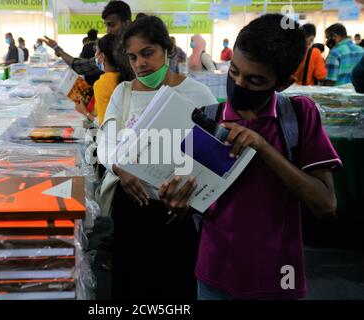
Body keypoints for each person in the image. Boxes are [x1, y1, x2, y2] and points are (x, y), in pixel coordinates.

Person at [192, 14, 342, 300]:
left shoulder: (298, 116)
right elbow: (195, 198)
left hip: (279, 279)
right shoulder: (210, 118)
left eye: (255, 80)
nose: (238, 83)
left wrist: (263, 148)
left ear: (283, 83)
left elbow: (325, 204)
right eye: (233, 71)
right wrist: (175, 199)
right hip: (215, 275)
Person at [97, 15, 216, 300]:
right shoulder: (123, 93)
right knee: (131, 285)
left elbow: (211, 155)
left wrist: (190, 196)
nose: (140, 64)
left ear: (168, 49)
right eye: (132, 56)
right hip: (133, 206)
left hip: (177, 212)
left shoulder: (197, 94)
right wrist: (119, 168)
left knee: (174, 285)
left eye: (147, 53)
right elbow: (105, 142)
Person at [40, 1, 132, 84]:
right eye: (106, 25)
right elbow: (80, 66)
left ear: (127, 23)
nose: (108, 30)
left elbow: (78, 66)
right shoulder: (109, 48)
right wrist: (56, 48)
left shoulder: (132, 47)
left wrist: (57, 48)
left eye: (112, 25)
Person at [75, 33, 133, 125]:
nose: (95, 56)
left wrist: (85, 112)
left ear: (102, 56)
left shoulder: (102, 84)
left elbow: (105, 126)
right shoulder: (130, 75)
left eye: (96, 52)